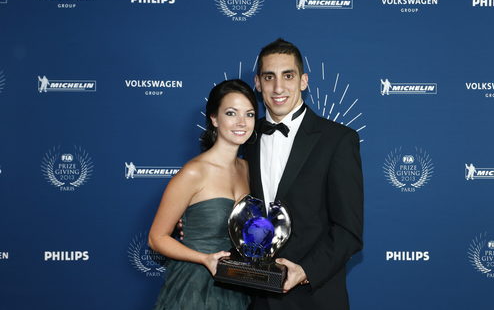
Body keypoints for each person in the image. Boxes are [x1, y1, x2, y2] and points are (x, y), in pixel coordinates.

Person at [246, 38, 364, 309]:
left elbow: (349, 231)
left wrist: (304, 271)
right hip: (255, 298)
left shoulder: (338, 139)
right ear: (257, 82)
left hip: (314, 299)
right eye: (269, 77)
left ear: (303, 81)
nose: (278, 87)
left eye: (288, 76)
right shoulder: (245, 139)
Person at [148, 79, 258, 309]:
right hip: (194, 285)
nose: (241, 122)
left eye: (249, 114)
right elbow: (156, 239)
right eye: (231, 113)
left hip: (236, 284)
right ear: (214, 118)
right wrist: (203, 258)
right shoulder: (194, 172)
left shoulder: (247, 169)